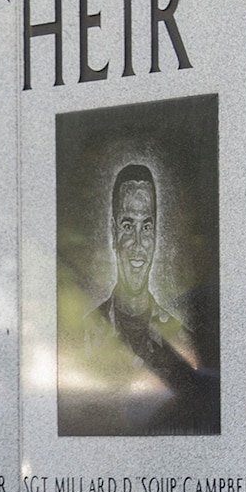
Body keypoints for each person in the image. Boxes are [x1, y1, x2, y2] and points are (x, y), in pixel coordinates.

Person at [66, 162, 217, 435]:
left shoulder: (176, 323)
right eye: (127, 225)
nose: (138, 242)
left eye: (147, 227)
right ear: (112, 233)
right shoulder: (82, 331)